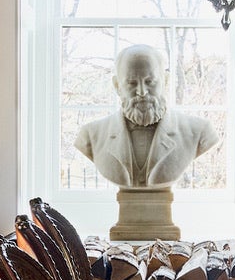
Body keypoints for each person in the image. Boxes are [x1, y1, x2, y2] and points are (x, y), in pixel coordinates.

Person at [73, 43, 218, 189]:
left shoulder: (199, 132)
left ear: (165, 81)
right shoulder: (90, 136)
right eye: (132, 83)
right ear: (117, 85)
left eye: (150, 82)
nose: (142, 92)